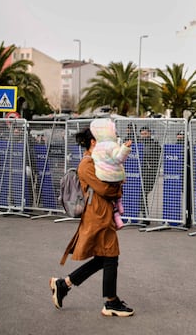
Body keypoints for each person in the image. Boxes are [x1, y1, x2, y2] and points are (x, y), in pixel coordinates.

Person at [50, 126, 134, 317]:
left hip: (102, 214)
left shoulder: (97, 161)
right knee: (110, 255)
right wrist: (119, 186)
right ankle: (111, 302)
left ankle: (63, 284)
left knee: (104, 258)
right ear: (93, 142)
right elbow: (105, 189)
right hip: (97, 216)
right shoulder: (86, 165)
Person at [90, 118, 132, 230]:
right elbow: (119, 158)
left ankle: (117, 214)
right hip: (114, 175)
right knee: (116, 194)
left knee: (109, 201)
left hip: (102, 176)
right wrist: (125, 148)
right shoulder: (111, 145)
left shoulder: (97, 146)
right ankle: (119, 209)